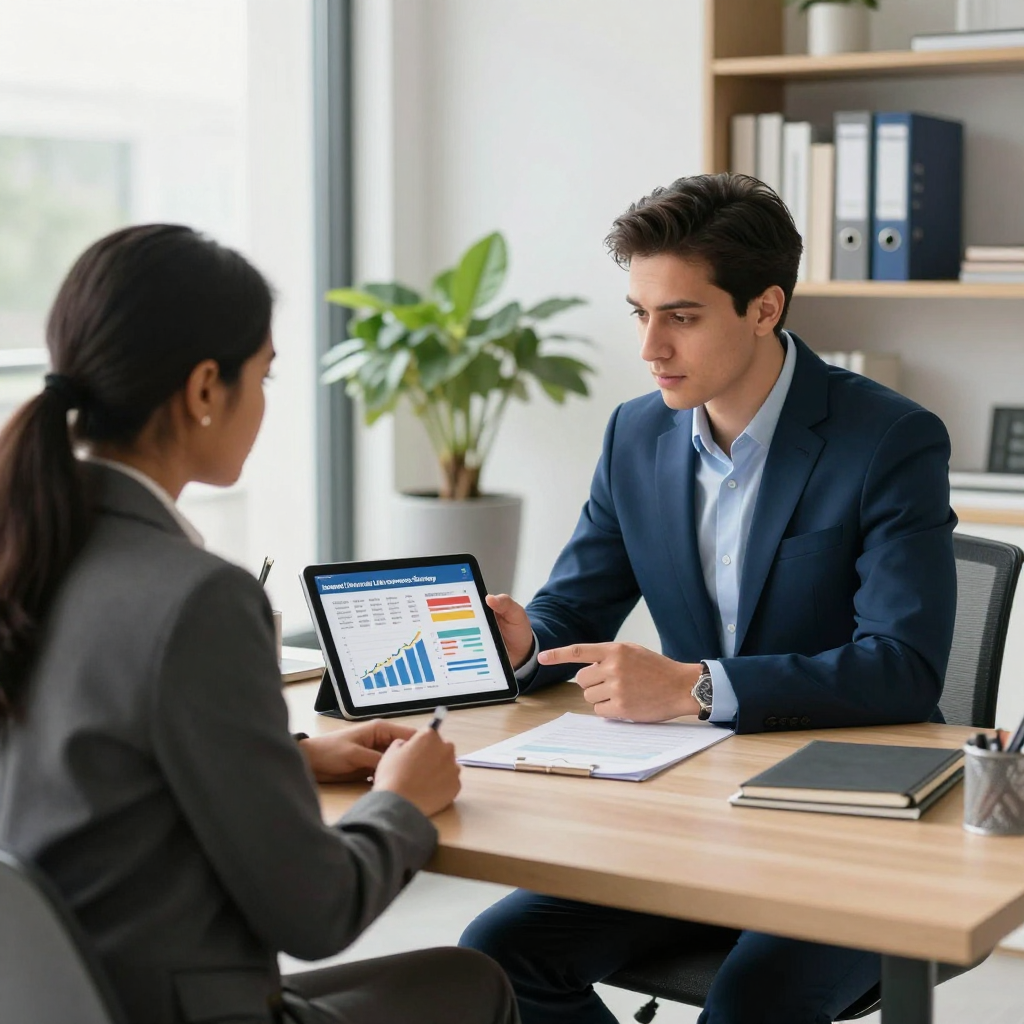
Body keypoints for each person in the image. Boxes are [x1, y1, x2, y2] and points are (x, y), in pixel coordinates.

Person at [459, 173, 957, 1024]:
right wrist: (522, 644)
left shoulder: (888, 439)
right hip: (687, 813)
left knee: (754, 1000)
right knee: (495, 961)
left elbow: (902, 667)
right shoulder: (635, 433)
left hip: (841, 824)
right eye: (640, 314)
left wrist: (694, 687)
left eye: (680, 317)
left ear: (765, 308)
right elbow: (574, 613)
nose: (651, 348)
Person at [0, 224, 518, 1024]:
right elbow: (317, 912)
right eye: (265, 376)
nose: (264, 404)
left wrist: (289, 758)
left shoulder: (28, 552)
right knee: (473, 980)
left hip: (63, 1001)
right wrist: (402, 804)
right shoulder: (198, 597)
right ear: (206, 388)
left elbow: (78, 768)